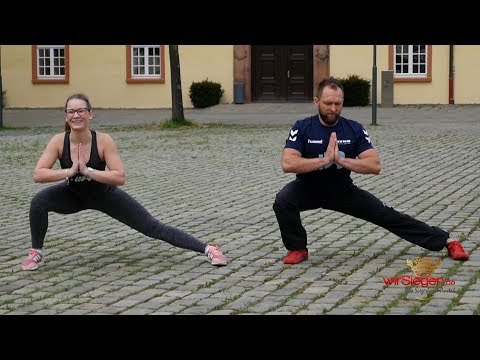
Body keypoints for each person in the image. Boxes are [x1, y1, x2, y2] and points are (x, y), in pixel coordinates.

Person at [273, 76, 469, 265]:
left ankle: (447, 241)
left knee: (387, 215)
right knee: (283, 200)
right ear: (316, 101)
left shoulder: (354, 129)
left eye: (338, 104)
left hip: (342, 190)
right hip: (308, 187)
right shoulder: (303, 127)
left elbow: (374, 165)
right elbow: (288, 163)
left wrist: (341, 160)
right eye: (328, 103)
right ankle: (298, 247)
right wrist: (324, 160)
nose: (333, 109)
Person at [21, 93, 227, 271]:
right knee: (39, 202)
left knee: (153, 227)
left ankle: (209, 249)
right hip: (72, 195)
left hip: (104, 195)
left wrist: (88, 171)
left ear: (90, 114)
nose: (76, 115)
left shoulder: (103, 141)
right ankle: (36, 251)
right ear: (66, 116)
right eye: (71, 111)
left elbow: (119, 177)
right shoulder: (59, 141)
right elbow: (38, 174)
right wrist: (70, 171)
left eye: (81, 111)